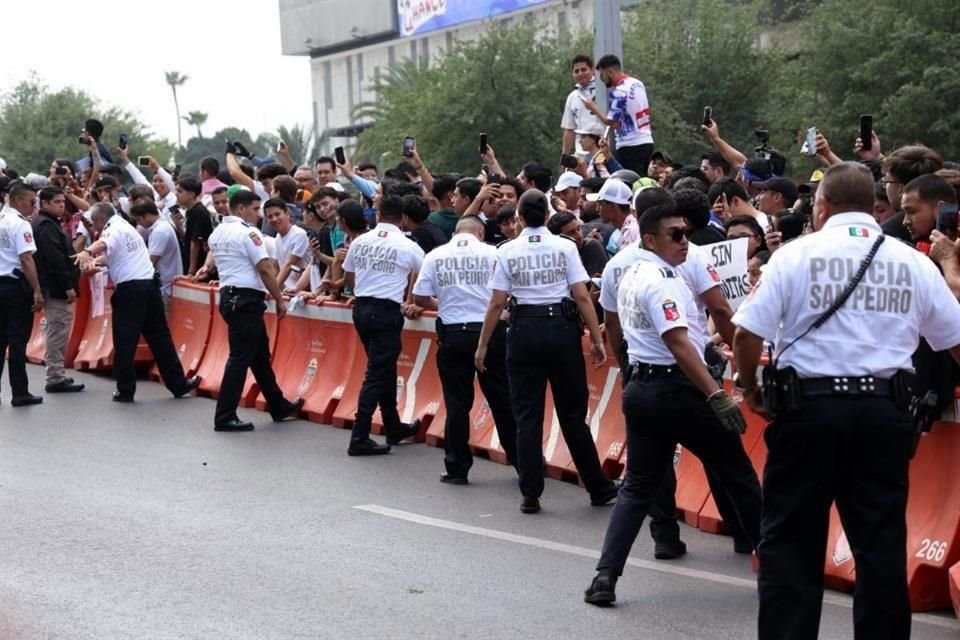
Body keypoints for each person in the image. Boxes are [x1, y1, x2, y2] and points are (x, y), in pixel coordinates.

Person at [731, 161, 960, 640]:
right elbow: (955, 341)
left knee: (791, 544)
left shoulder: (794, 256)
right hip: (884, 415)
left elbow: (747, 332)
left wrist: (749, 387)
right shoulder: (913, 262)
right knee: (879, 549)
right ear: (874, 207)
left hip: (806, 411)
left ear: (821, 205)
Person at [584, 203, 760, 607]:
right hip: (678, 388)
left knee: (637, 488)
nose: (686, 241)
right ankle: (777, 559)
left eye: (686, 232)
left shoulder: (628, 271)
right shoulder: (662, 279)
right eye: (675, 235)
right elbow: (679, 343)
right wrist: (715, 394)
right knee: (737, 473)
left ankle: (605, 576)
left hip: (643, 387)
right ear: (650, 239)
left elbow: (616, 328)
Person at [475, 189, 619, 514]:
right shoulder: (565, 247)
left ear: (520, 218)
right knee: (572, 415)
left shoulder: (507, 251)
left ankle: (530, 492)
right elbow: (582, 296)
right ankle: (597, 486)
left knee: (527, 415)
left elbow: (497, 302)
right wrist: (596, 338)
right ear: (548, 215)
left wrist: (483, 344)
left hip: (523, 330)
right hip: (562, 330)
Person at [412, 216, 517, 483]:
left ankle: (456, 467)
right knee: (502, 399)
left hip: (453, 333)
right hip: (489, 332)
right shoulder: (494, 252)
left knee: (457, 403)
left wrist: (444, 304)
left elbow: (420, 297)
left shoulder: (436, 256)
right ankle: (522, 461)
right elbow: (509, 293)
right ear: (480, 232)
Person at [196, 190, 304, 432]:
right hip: (245, 300)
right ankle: (225, 415)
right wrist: (279, 299)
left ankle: (278, 405)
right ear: (241, 208)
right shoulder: (249, 232)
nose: (260, 215)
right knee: (240, 359)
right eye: (256, 209)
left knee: (258, 357)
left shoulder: (218, 233)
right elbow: (265, 268)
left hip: (230, 297)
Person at [74, 203, 200, 402]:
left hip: (131, 291)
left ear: (100, 220)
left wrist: (87, 252)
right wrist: (95, 262)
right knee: (160, 338)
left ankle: (125, 389)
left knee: (125, 340)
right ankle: (178, 384)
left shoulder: (112, 230)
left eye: (94, 224)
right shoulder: (127, 229)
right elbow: (113, 257)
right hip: (149, 287)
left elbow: (103, 244)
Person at [342, 194, 425, 455]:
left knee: (383, 369)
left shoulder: (360, 241)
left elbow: (348, 277)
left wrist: (363, 294)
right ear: (402, 218)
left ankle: (393, 426)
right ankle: (360, 436)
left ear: (377, 215)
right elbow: (424, 278)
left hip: (362, 308)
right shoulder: (409, 246)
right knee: (377, 374)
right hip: (386, 311)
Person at [32, 186, 84, 393]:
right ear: (44, 203)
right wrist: (68, 286)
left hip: (55, 285)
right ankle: (55, 376)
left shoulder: (50, 223)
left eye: (63, 202)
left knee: (58, 329)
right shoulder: (45, 226)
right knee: (58, 330)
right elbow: (54, 259)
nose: (62, 205)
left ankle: (57, 371)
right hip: (56, 288)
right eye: (57, 202)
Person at [0, 182, 45, 405]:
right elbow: (26, 258)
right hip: (15, 287)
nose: (33, 206)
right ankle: (20, 392)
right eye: (31, 201)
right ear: (18, 200)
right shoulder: (20, 224)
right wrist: (36, 289)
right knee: (17, 341)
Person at [580, 55, 654, 176]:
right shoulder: (637, 83)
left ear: (610, 72)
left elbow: (612, 122)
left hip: (630, 145)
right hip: (646, 141)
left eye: (602, 75)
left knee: (630, 183)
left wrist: (593, 107)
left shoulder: (619, 90)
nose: (602, 80)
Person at [129, 201, 182, 312]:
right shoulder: (159, 228)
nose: (139, 224)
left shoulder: (160, 231)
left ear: (147, 215)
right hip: (166, 285)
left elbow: (152, 260)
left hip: (167, 286)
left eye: (139, 220)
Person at [561, 54, 605, 158]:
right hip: (581, 153)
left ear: (592, 70)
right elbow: (569, 129)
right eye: (576, 71)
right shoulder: (572, 97)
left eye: (584, 69)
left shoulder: (603, 90)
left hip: (603, 149)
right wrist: (564, 156)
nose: (580, 73)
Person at [265, 198, 309, 290]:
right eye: (270, 217)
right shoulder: (278, 237)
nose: (274, 219)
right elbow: (276, 266)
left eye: (277, 214)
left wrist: (273, 290)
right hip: (287, 291)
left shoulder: (299, 234)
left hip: (303, 290)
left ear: (287, 214)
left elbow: (289, 264)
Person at [587, 178, 636, 253]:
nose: (597, 209)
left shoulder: (631, 231)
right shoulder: (625, 229)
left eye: (600, 204)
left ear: (612, 206)